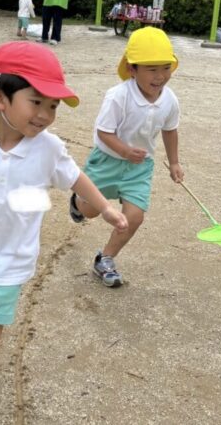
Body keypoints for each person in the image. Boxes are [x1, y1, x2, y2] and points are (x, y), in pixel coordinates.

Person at [0, 41, 128, 417]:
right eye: (36, 102)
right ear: (0, 98)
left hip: (10, 260)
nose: (45, 115)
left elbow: (76, 178)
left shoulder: (48, 149)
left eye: (53, 106)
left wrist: (106, 208)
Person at [69, 27, 184, 287]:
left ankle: (105, 259)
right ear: (132, 69)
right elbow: (104, 131)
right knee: (90, 211)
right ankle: (77, 202)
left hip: (139, 167)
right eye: (152, 69)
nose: (160, 76)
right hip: (107, 161)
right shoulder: (118, 96)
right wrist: (124, 151)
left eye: (166, 68)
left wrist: (174, 162)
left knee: (134, 216)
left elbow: (170, 130)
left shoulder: (170, 100)